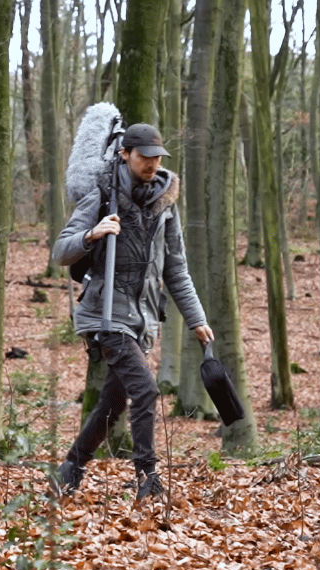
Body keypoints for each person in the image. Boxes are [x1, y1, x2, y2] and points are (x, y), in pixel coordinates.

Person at [51, 122, 214, 500]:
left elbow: (176, 270)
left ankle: (69, 471)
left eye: (158, 157)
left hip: (142, 319)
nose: (153, 164)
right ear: (125, 154)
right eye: (145, 156)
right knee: (146, 391)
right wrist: (92, 234)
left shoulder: (165, 207)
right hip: (104, 314)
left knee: (112, 403)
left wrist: (198, 319)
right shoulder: (101, 197)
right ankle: (148, 479)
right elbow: (61, 252)